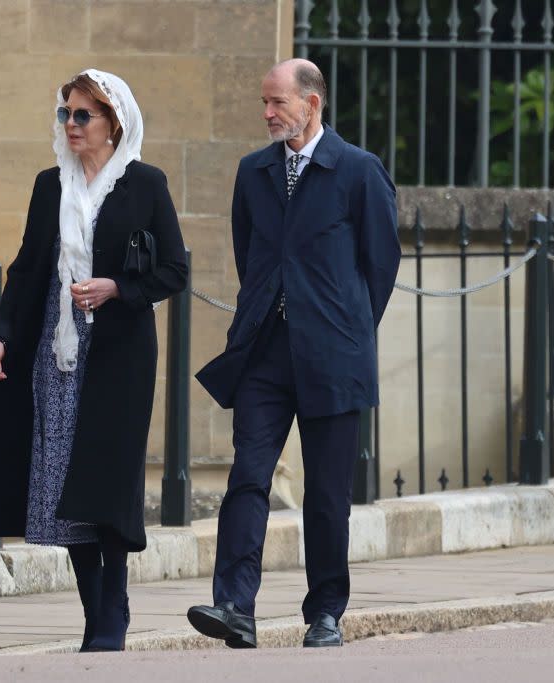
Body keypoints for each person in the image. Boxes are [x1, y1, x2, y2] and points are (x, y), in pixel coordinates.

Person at [0, 69, 188, 653]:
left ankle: (114, 603)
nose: (71, 125)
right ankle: (94, 610)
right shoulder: (50, 185)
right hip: (57, 354)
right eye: (65, 115)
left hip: (119, 355)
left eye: (82, 116)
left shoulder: (145, 184)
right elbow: (26, 271)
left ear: (112, 123)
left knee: (107, 480)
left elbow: (173, 269)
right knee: (62, 483)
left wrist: (117, 288)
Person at [190, 59, 401, 648]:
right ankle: (235, 605)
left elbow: (380, 266)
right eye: (264, 102)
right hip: (264, 352)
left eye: (277, 102)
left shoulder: (358, 170)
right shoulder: (253, 172)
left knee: (329, 495)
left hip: (333, 355)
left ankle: (326, 612)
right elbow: (248, 251)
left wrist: (344, 327)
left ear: (312, 104)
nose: (267, 113)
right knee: (247, 478)